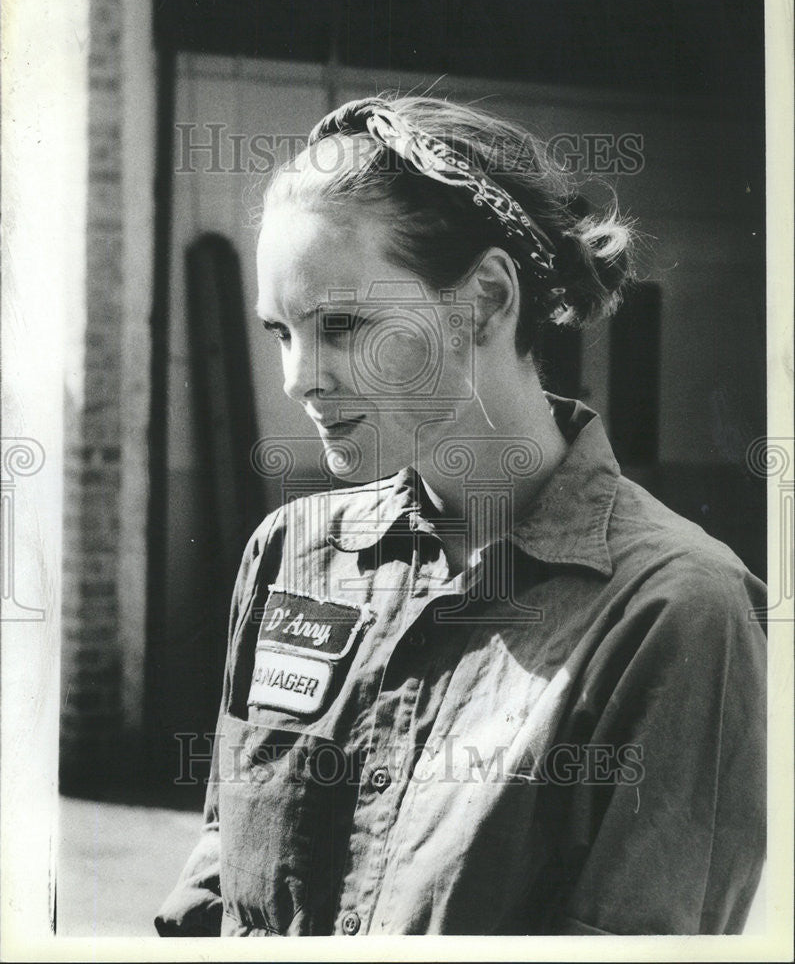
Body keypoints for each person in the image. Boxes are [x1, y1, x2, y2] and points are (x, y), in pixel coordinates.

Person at [155, 94, 766, 937]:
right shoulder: (290, 552)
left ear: (482, 298)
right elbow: (219, 892)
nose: (299, 378)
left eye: (342, 324)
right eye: (281, 332)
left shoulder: (674, 609)